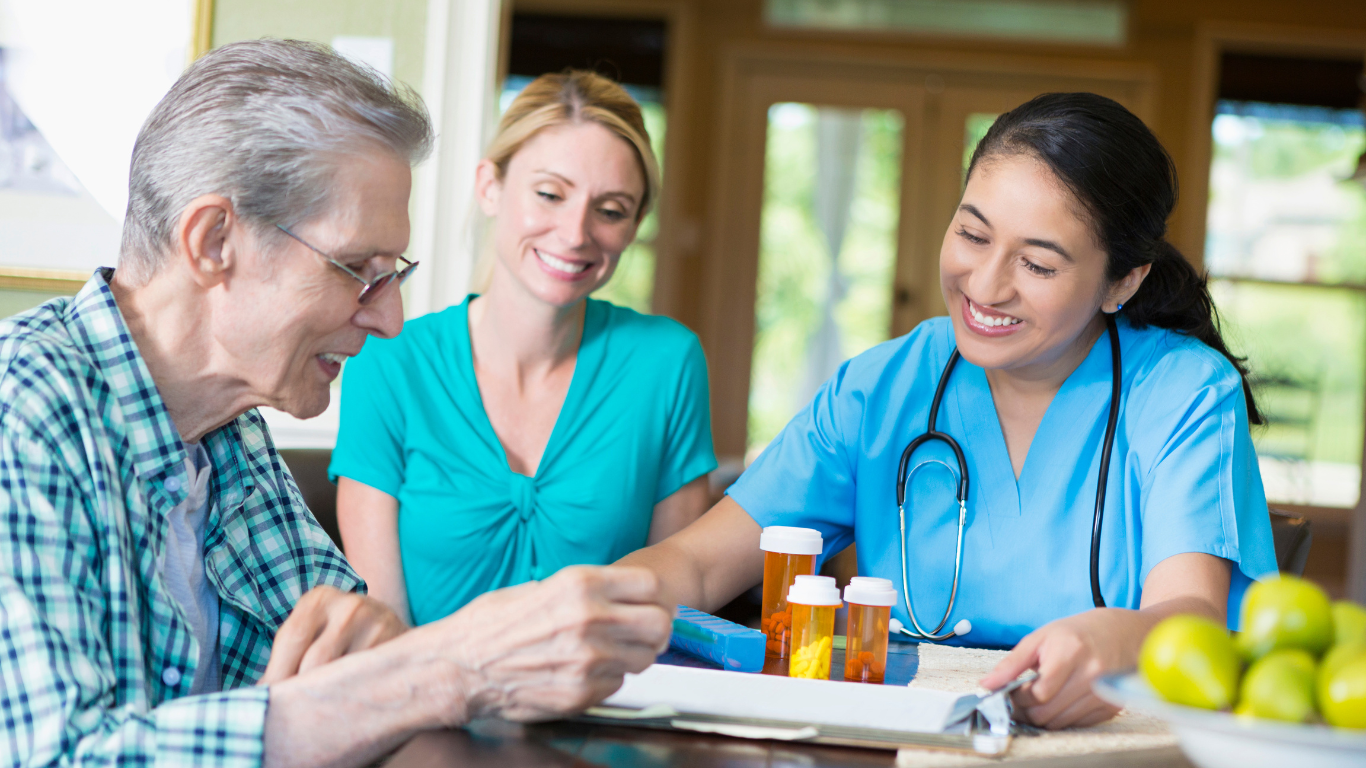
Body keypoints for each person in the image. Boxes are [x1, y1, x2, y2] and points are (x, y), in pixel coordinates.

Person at [0, 40, 671, 768]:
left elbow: (365, 650)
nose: (389, 321)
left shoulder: (227, 432)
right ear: (213, 240)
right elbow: (57, 755)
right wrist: (442, 668)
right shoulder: (24, 409)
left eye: (394, 274)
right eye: (358, 270)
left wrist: (384, 662)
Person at [618, 92, 1278, 730]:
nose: (986, 285)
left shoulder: (1183, 391)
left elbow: (1191, 614)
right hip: (900, 742)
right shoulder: (879, 388)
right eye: (971, 233)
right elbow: (698, 564)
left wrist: (1120, 637)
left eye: (1038, 265)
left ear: (1123, 281)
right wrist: (577, 601)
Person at [330, 70, 716, 626]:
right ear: (490, 186)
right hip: (426, 704)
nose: (576, 232)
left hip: (611, 708)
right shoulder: (388, 360)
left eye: (610, 210)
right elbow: (382, 624)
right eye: (550, 194)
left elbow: (672, 613)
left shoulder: (668, 364)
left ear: (634, 226)